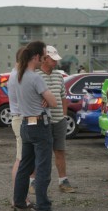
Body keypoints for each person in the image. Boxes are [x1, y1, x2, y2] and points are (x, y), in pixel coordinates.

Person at [13, 41, 66, 211]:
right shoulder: (35, 77)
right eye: (43, 56)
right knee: (43, 169)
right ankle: (44, 210)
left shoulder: (18, 76)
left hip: (26, 125)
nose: (44, 59)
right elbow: (53, 102)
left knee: (24, 167)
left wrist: (41, 97)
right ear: (36, 57)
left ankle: (20, 204)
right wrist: (45, 97)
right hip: (40, 125)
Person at [29, 45, 75, 194]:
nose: (55, 62)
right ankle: (33, 181)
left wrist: (63, 115)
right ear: (44, 58)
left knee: (60, 150)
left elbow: (63, 97)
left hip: (58, 120)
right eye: (52, 59)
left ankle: (63, 180)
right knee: (38, 151)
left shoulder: (58, 76)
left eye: (56, 60)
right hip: (40, 120)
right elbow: (29, 97)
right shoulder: (35, 74)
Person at [8, 47, 33, 207]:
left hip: (19, 118)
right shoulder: (18, 76)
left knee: (22, 159)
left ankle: (20, 197)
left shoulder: (14, 74)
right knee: (21, 159)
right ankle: (19, 198)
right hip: (21, 119)